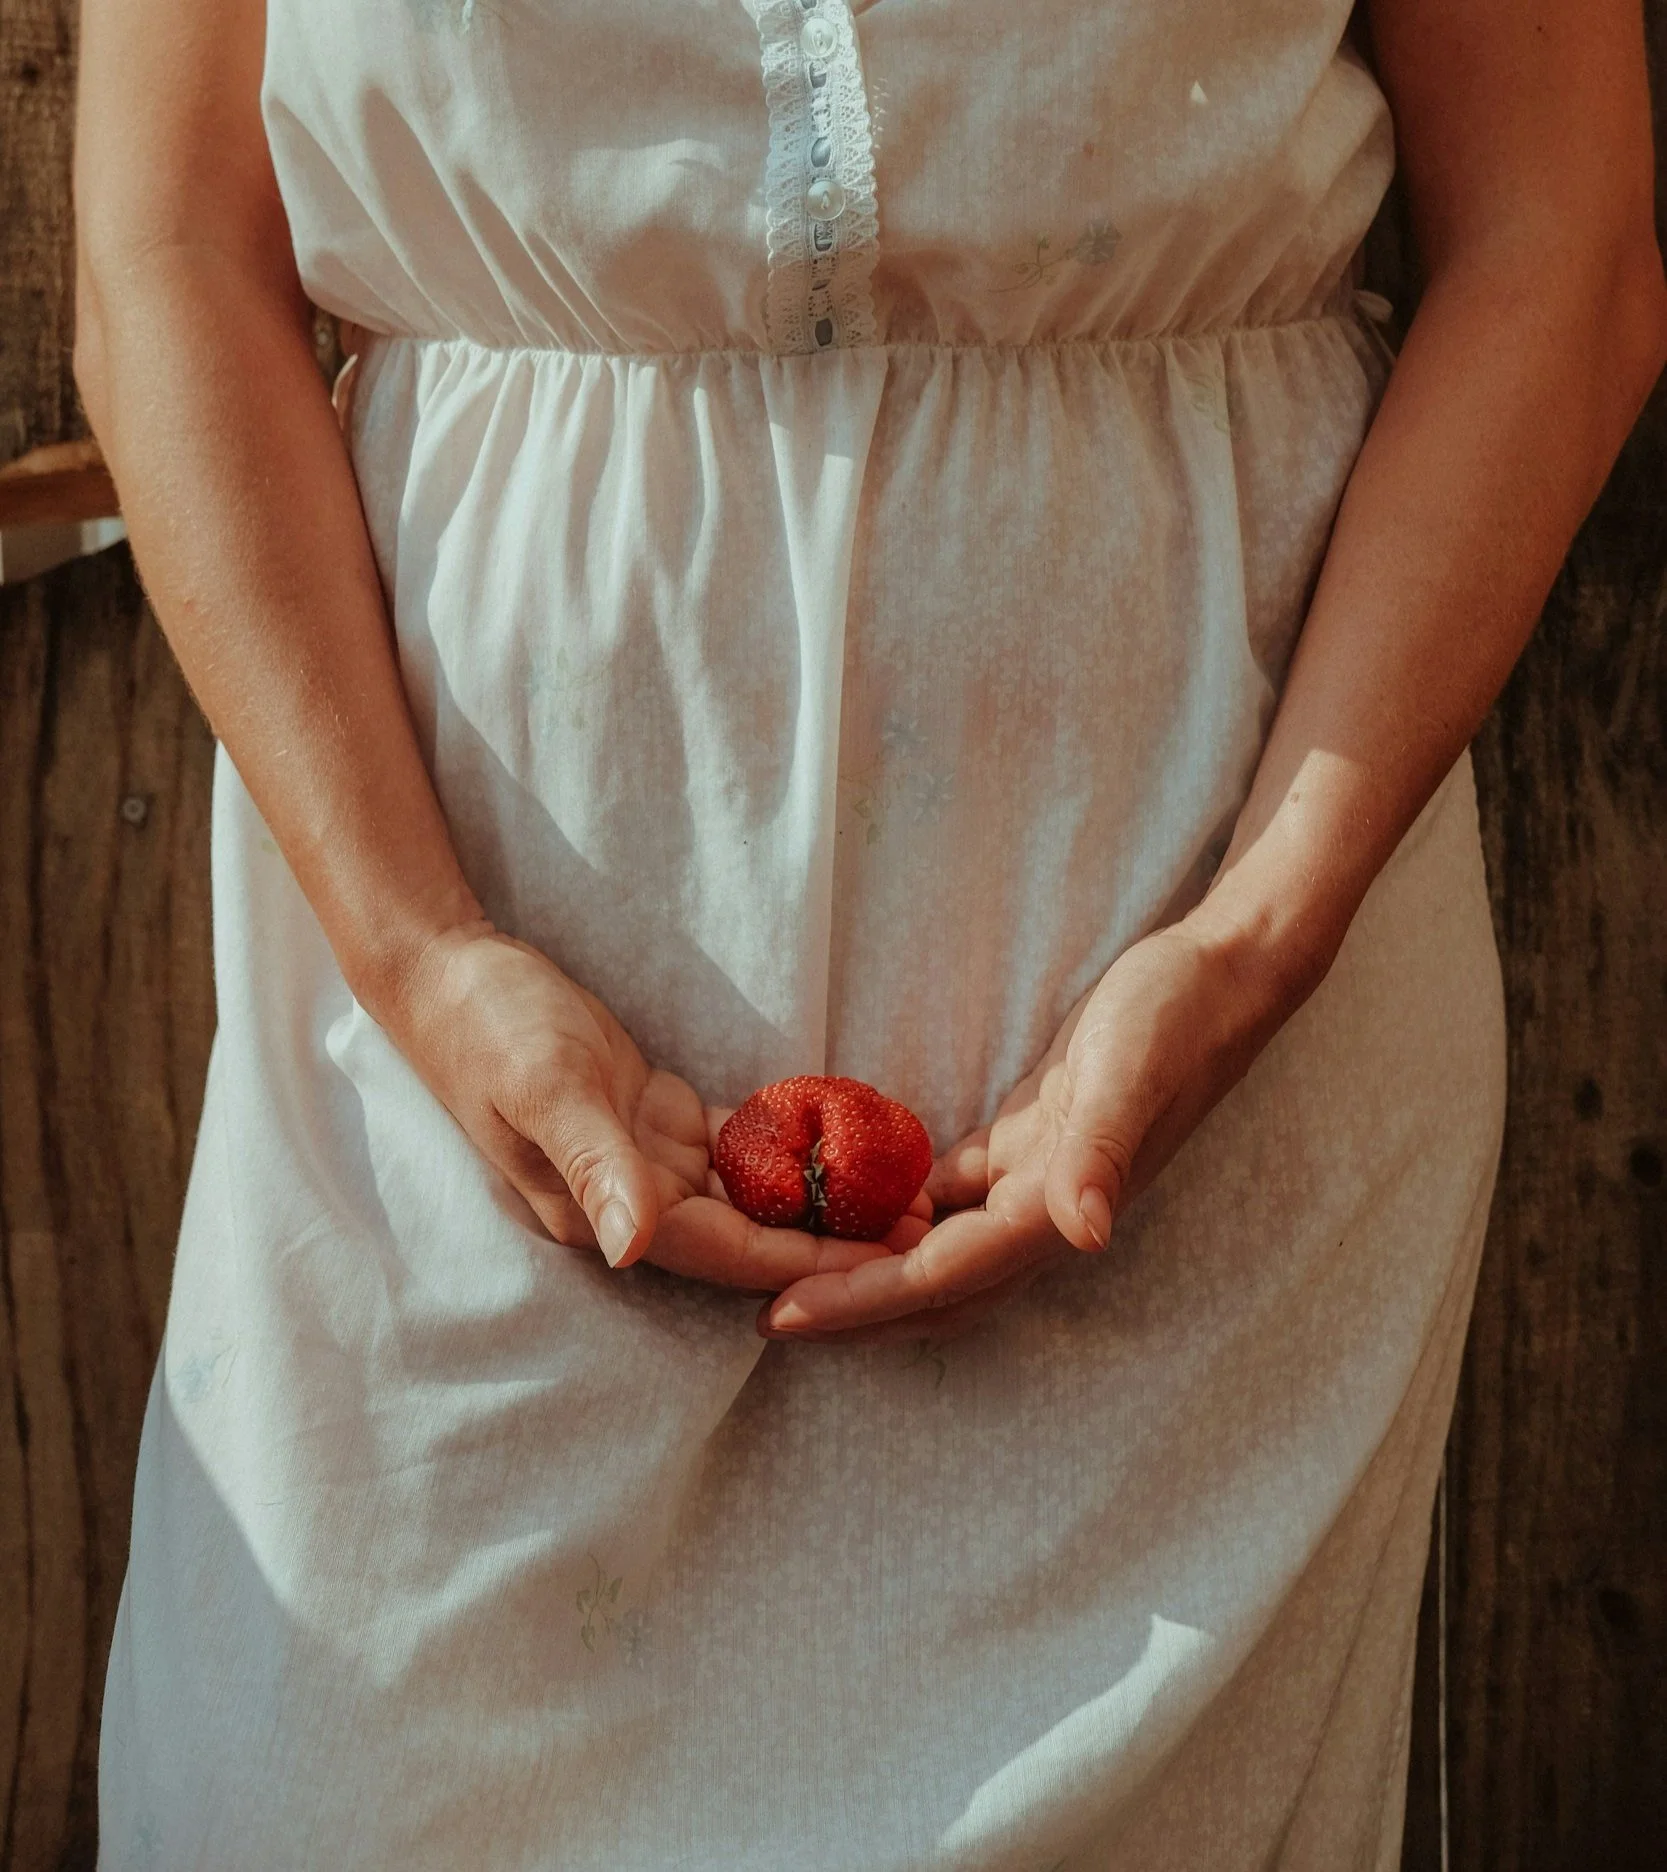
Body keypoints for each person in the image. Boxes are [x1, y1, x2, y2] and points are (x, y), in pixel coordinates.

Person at [75, 0, 1664, 1863]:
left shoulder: (1244, 977)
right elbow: (168, 245)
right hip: (443, 1037)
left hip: (1205, 1049)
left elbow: (1556, 239)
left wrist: (1251, 944)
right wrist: (417, 952)